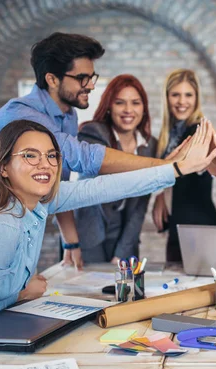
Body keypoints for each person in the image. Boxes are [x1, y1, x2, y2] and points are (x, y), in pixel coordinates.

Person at [0, 119, 216, 332]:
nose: (44, 164)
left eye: (51, 156)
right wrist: (21, 294)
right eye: (30, 156)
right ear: (3, 167)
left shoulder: (38, 204)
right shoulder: (0, 226)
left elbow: (106, 188)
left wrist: (177, 169)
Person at [0, 32, 183, 269]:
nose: (90, 86)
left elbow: (58, 181)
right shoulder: (23, 113)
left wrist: (71, 241)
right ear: (52, 79)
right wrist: (169, 165)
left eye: (91, 77)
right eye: (81, 78)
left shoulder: (67, 115)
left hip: (10, 208)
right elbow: (84, 157)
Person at [74, 74, 157, 263]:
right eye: (120, 103)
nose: (128, 110)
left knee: (125, 289)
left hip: (124, 229)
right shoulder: (92, 132)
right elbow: (103, 171)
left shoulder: (150, 145)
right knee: (88, 289)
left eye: (136, 103)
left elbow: (140, 205)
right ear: (109, 106)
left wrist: (123, 250)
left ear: (144, 109)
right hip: (89, 228)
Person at [152, 69, 216, 261]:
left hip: (199, 230)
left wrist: (161, 191)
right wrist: (160, 196)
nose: (182, 102)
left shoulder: (198, 131)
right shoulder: (169, 135)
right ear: (167, 98)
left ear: (197, 98)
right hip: (179, 229)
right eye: (176, 95)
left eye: (188, 95)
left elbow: (180, 170)